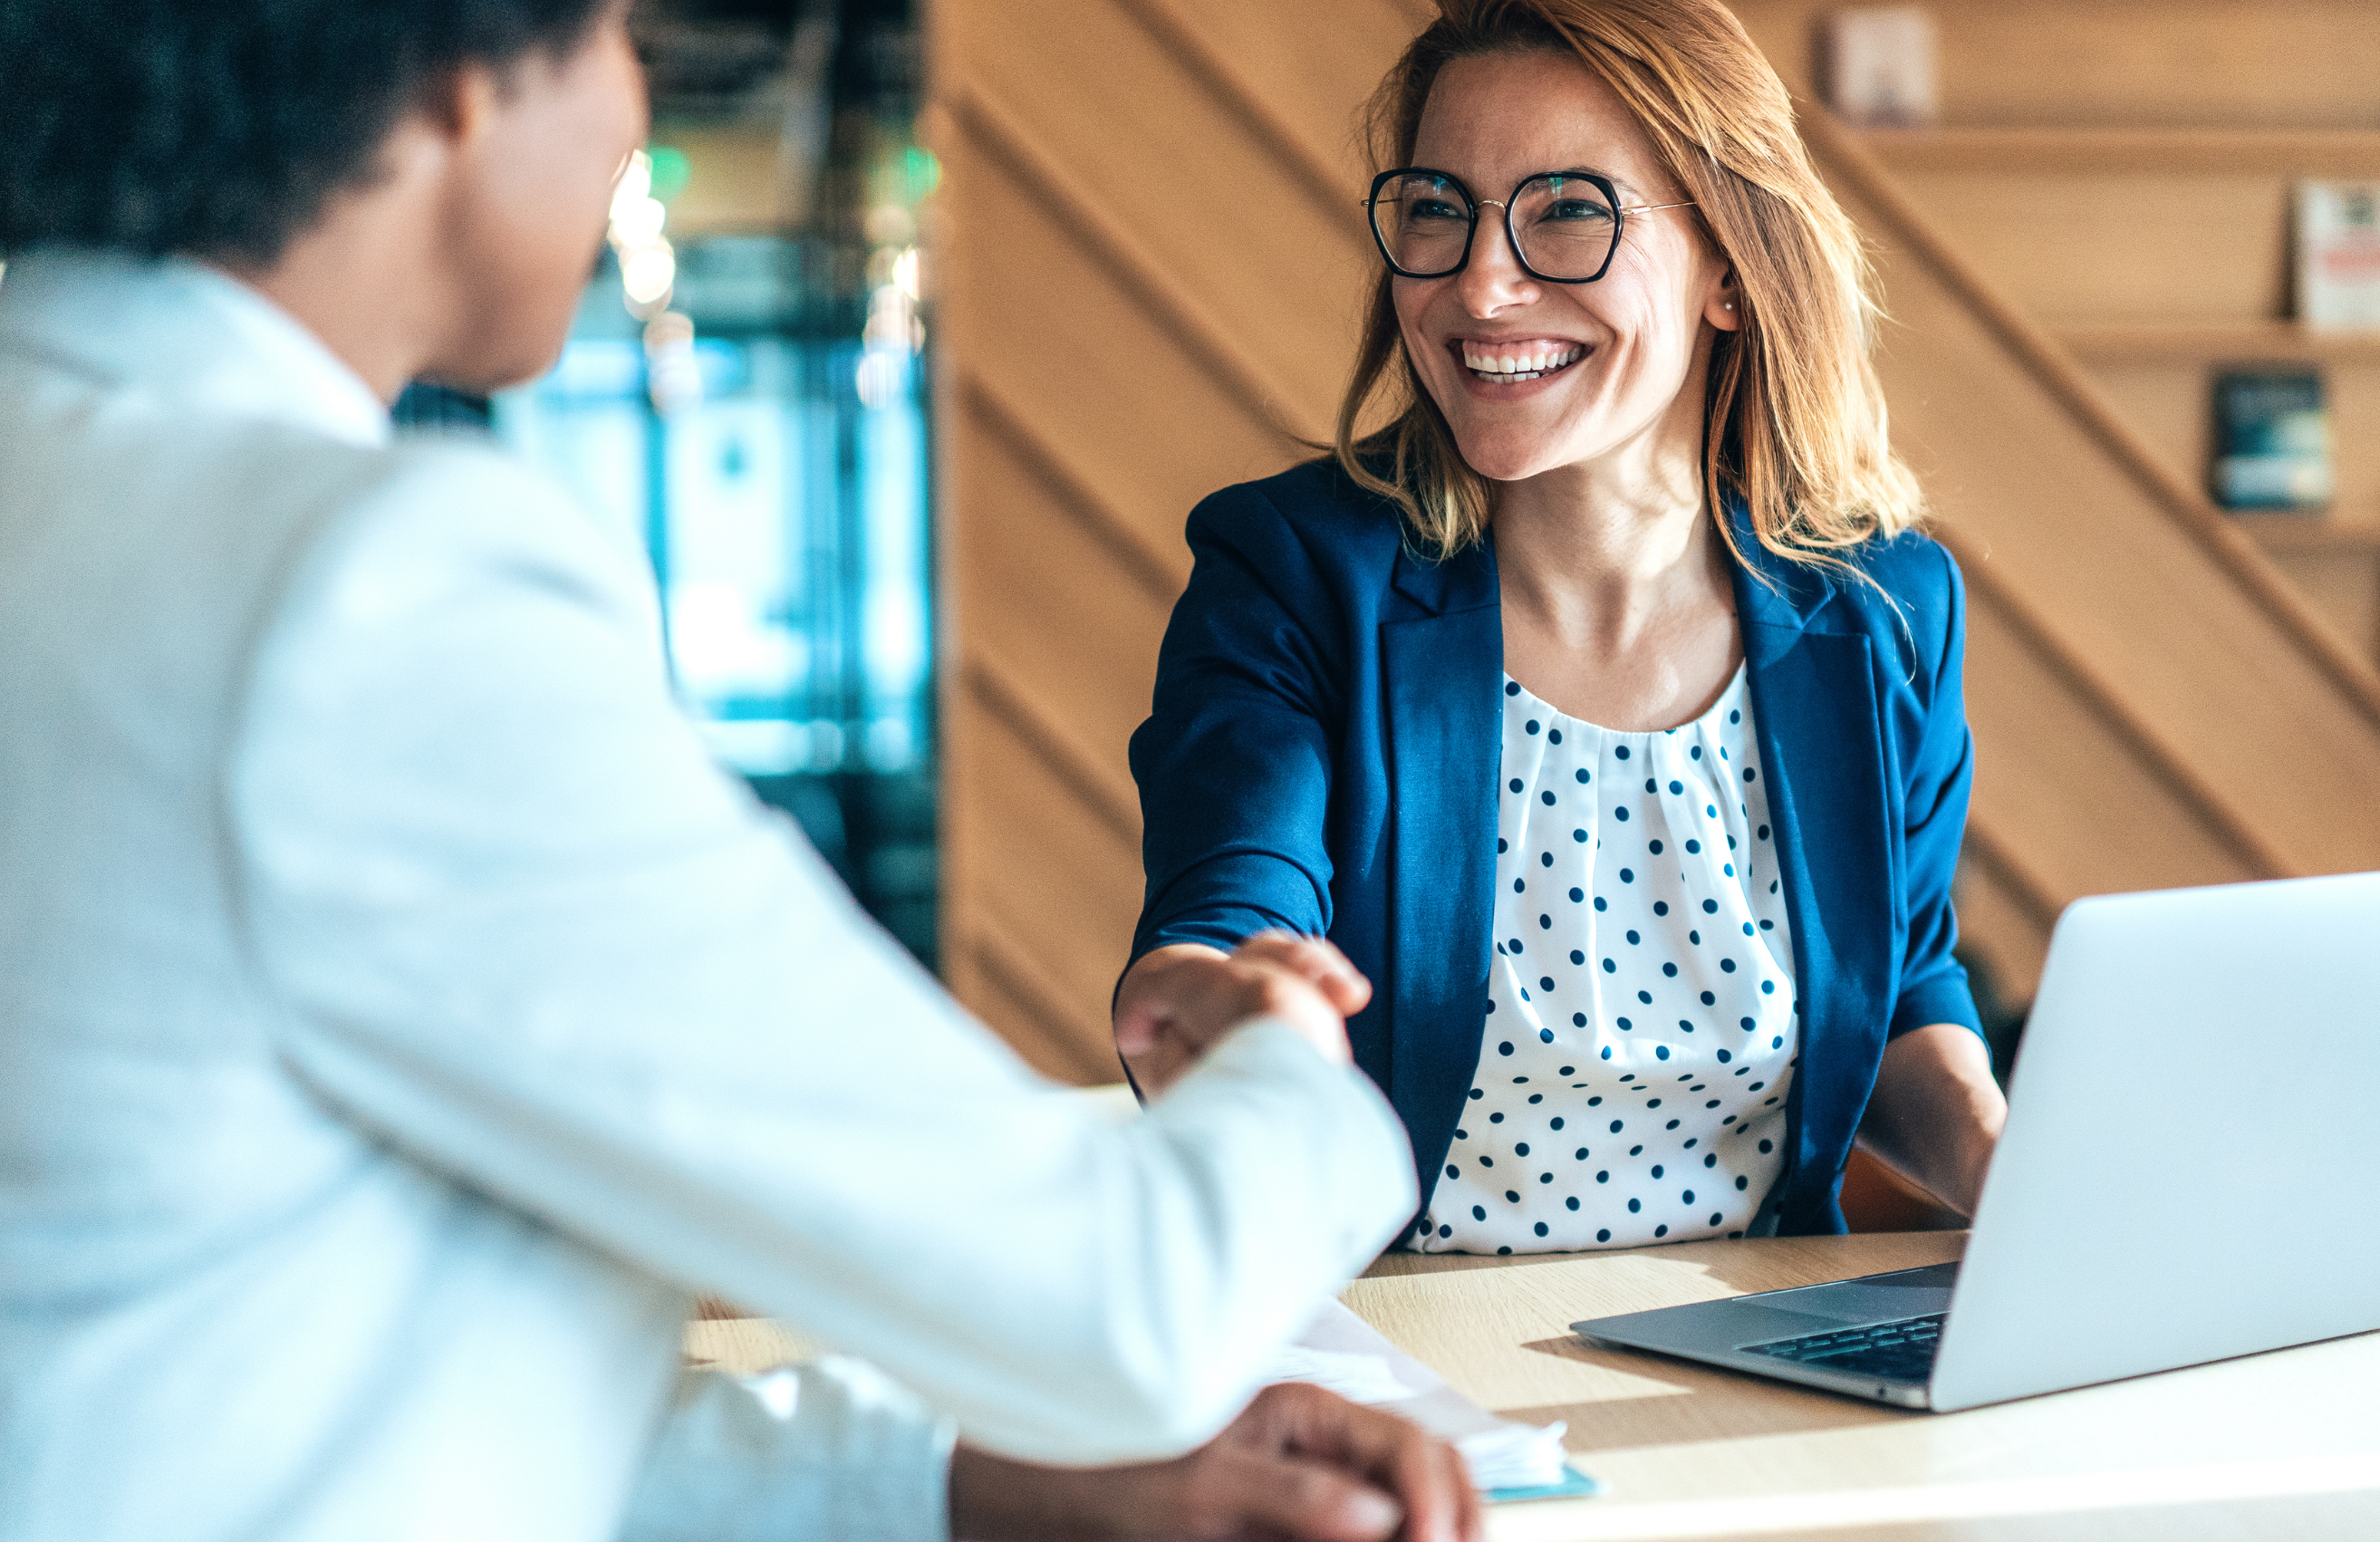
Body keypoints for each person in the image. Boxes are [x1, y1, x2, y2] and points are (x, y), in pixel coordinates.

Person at [0, 3, 1481, 1539]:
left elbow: (227, 1375)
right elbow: (1132, 1312)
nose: (635, 105)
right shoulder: (360, 593)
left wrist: (964, 1483)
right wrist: (1292, 1062)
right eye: (613, 37)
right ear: (454, 83)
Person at [1116, 0, 2009, 1255]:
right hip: (1402, 1353)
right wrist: (1218, 997)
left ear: (1733, 274)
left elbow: (1907, 981)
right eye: (1437, 208)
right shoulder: (1294, 571)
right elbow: (1237, 903)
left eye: (1570, 212)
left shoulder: (1883, 606)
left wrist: (2008, 1166)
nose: (1481, 283)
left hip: (1759, 1348)